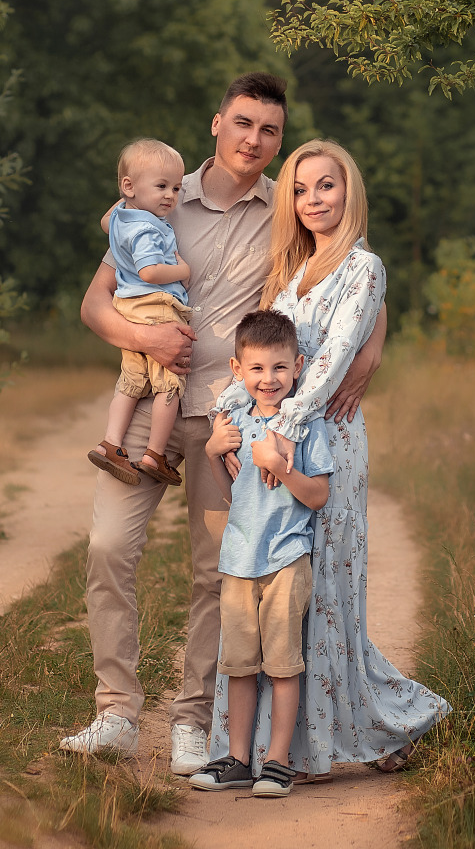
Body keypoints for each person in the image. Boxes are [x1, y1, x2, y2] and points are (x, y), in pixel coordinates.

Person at [64, 74, 390, 776]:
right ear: (216, 124)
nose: (254, 140)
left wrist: (371, 353)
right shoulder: (159, 192)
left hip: (231, 420)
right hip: (153, 405)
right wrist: (145, 339)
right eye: (243, 123)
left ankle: (190, 720)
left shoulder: (286, 205)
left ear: (279, 139)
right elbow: (94, 304)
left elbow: (354, 271)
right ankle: (116, 712)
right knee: (108, 550)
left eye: (269, 130)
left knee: (218, 573)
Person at [208, 139, 449, 778]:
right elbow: (268, 358)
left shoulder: (363, 268)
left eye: (327, 186)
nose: (314, 200)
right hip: (269, 440)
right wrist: (229, 418)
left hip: (325, 441)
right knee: (278, 597)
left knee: (327, 593)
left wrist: (283, 430)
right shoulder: (291, 272)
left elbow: (331, 362)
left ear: (350, 192)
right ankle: (273, 746)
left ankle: (368, 729)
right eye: (301, 188)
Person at [188, 310, 333, 798]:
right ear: (237, 369)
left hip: (286, 558)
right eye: (257, 369)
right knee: (240, 663)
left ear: (298, 367)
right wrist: (212, 452)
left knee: (283, 663)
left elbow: (317, 496)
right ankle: (236, 758)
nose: (268, 379)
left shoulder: (306, 426)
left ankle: (277, 761)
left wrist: (278, 464)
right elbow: (231, 494)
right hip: (238, 560)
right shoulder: (232, 425)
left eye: (279, 367)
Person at [86, 139, 192, 487]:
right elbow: (150, 272)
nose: (170, 196)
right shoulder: (148, 227)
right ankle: (155, 454)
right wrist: (182, 271)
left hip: (128, 309)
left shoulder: (119, 217)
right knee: (168, 384)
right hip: (155, 306)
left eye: (175, 188)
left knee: (131, 381)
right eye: (161, 186)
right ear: (129, 186)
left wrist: (127, 200)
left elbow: (104, 221)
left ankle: (111, 445)